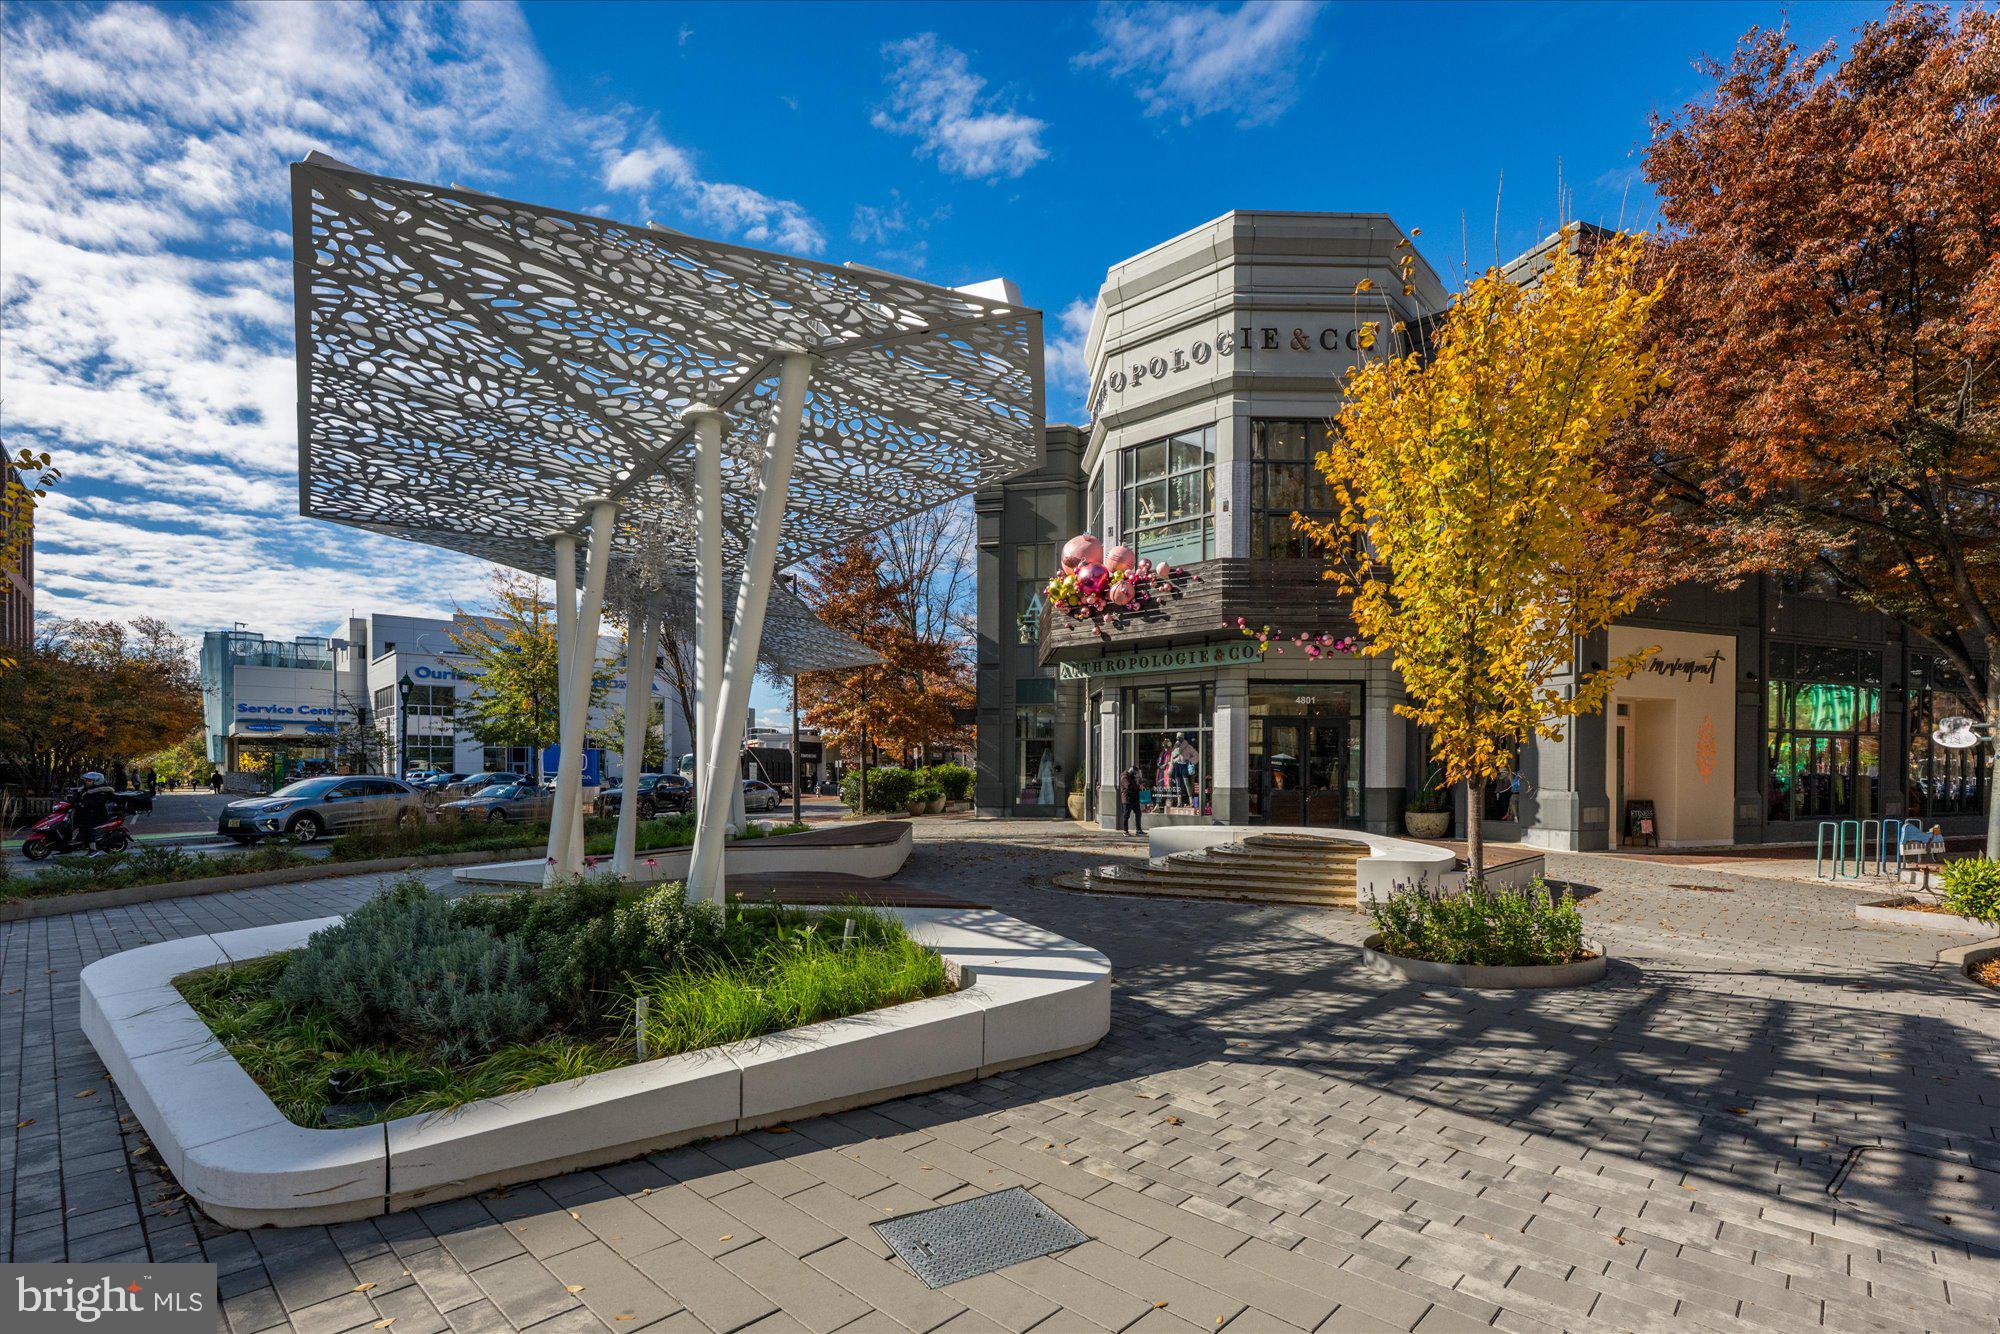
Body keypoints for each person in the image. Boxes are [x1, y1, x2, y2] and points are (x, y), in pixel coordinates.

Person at [63, 771, 116, 847]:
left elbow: (98, 802)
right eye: (86, 781)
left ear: (97, 782)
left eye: (89, 781)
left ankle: (93, 849)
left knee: (87, 827)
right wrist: (70, 799)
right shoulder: (84, 790)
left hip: (96, 814)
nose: (86, 782)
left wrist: (84, 803)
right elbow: (77, 798)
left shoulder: (103, 791)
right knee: (67, 825)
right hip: (84, 813)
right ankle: (66, 846)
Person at [1119, 764, 1145, 836]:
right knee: (1126, 815)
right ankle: (1125, 831)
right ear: (1132, 772)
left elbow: (1135, 786)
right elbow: (1129, 786)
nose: (1136, 775)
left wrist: (1140, 786)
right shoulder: (1124, 777)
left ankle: (1138, 830)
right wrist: (1138, 786)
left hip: (1134, 799)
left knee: (1138, 813)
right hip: (1127, 799)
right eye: (1135, 773)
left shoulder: (1132, 777)